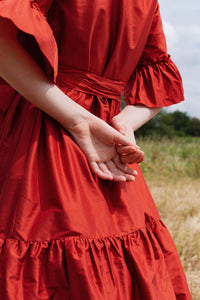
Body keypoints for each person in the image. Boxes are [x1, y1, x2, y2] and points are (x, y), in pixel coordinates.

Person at [0, 0, 192, 299]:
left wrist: (92, 122)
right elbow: (158, 81)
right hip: (105, 139)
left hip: (42, 127)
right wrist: (123, 124)